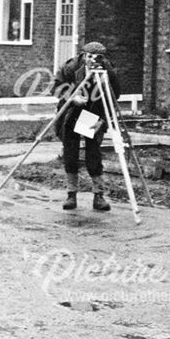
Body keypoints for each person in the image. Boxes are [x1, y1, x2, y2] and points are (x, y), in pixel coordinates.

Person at [52, 41, 120, 212]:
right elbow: (57, 87)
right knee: (71, 152)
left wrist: (106, 84)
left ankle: (98, 195)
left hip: (91, 114)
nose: (93, 60)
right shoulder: (71, 67)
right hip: (71, 113)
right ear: (83, 55)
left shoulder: (106, 68)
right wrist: (71, 98)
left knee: (93, 153)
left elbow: (116, 94)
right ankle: (71, 194)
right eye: (90, 56)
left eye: (98, 57)